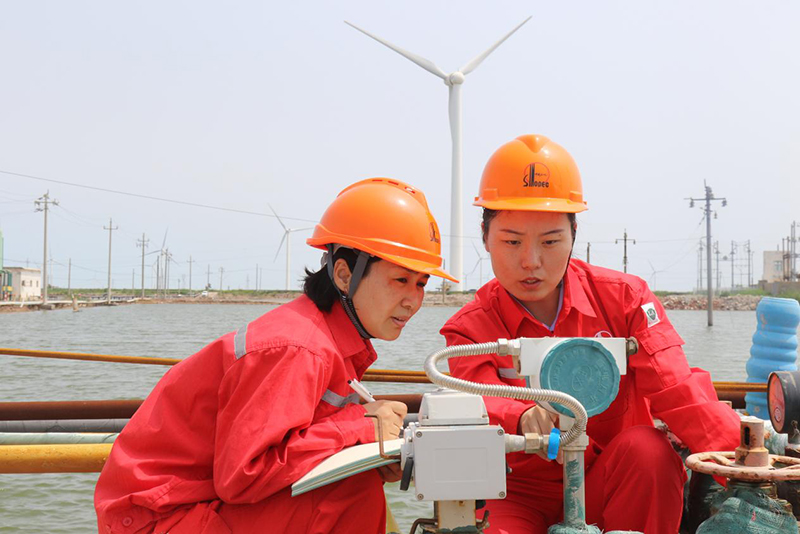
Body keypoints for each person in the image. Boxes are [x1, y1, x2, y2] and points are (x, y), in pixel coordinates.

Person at [94, 177, 457, 534]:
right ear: (345, 275)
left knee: (356, 482)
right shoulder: (297, 348)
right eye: (400, 280)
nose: (413, 300)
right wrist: (361, 427)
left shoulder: (323, 338)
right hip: (156, 518)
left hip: (183, 506)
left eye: (421, 284)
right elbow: (243, 475)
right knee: (350, 496)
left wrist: (367, 454)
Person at [440, 135, 740, 533]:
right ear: (484, 236)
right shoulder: (469, 328)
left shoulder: (625, 301)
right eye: (511, 241)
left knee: (650, 452)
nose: (531, 261)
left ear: (574, 234)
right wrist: (521, 414)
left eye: (550, 241)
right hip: (515, 492)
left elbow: (677, 390)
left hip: (609, 480)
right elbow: (476, 396)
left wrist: (744, 468)